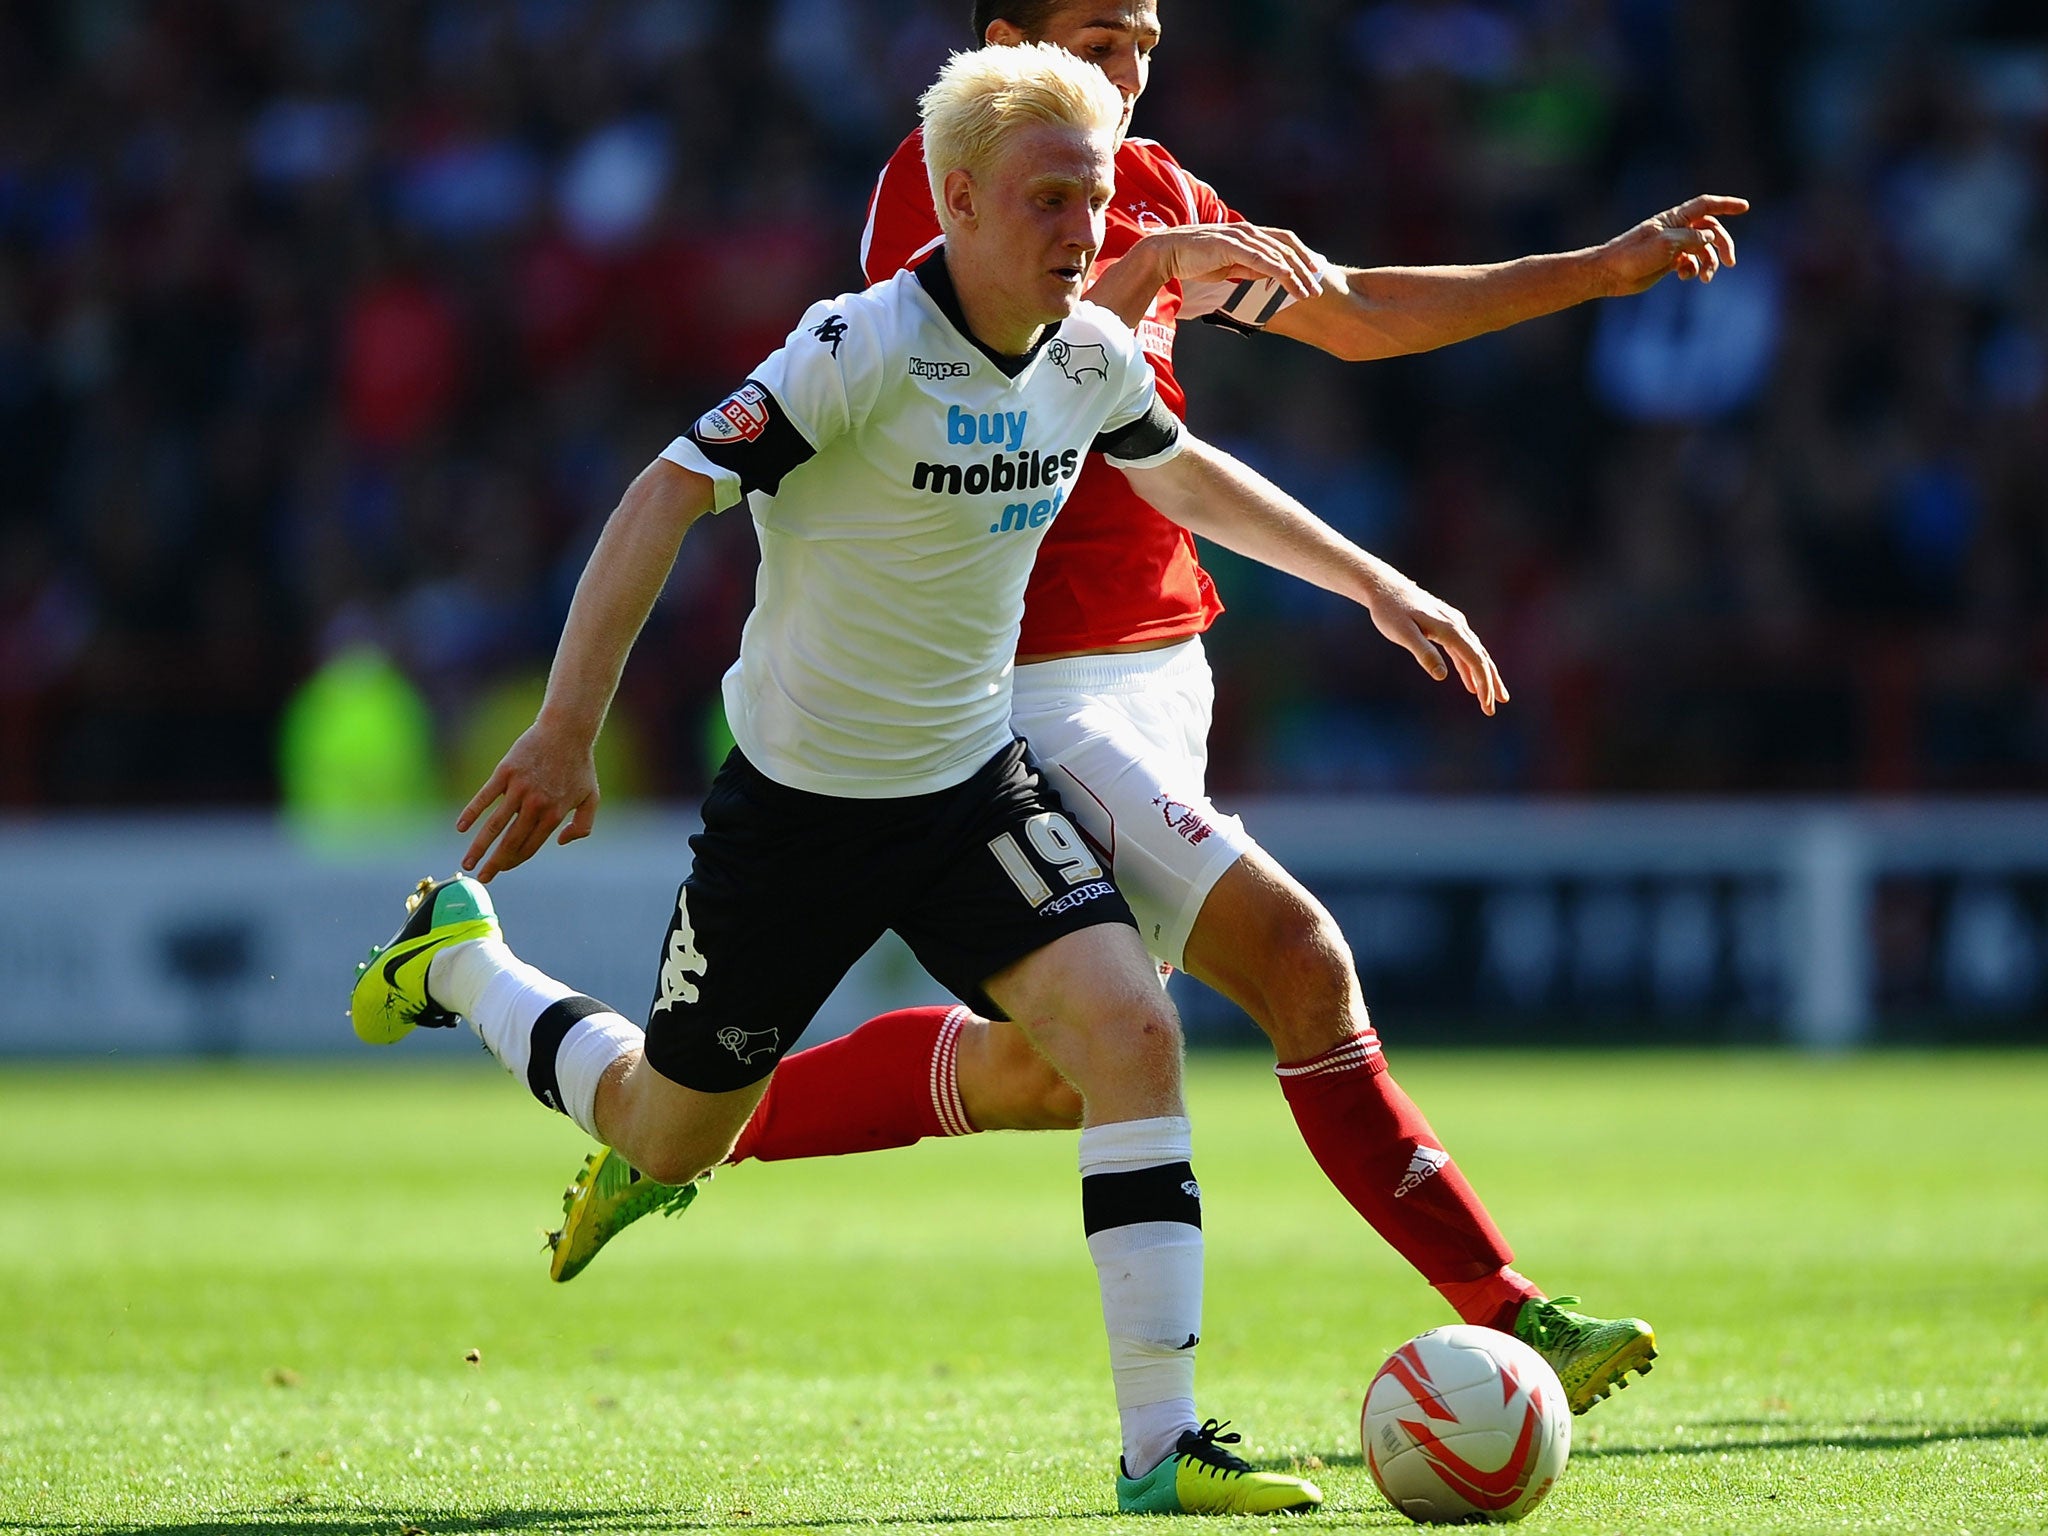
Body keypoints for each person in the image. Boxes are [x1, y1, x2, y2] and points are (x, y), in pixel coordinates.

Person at [352, 41, 1505, 1516]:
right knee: (663, 1129)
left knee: (1129, 1037)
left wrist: (1377, 587)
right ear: (953, 203)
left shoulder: (1090, 356)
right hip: (796, 823)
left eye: (1093, 200)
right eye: (1046, 200)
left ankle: (1162, 1451)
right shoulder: (856, 350)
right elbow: (661, 494)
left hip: (970, 793)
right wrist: (570, 722)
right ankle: (463, 967)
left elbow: (1190, 479)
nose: (1083, 232)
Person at [548, 1, 1746, 1418]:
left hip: (1165, 664)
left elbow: (1348, 309)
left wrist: (1591, 271)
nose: (1126, 74)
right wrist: (1150, 267)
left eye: (1146, 44)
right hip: (1038, 684)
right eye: (1099, 40)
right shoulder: (961, 186)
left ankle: (684, 1132)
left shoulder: (1152, 188)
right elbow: (1002, 366)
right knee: (1300, 960)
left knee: (1058, 1074)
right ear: (1011, 45)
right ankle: (1507, 1305)